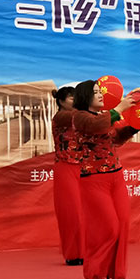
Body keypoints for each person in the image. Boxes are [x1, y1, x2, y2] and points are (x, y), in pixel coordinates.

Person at [71, 80, 139, 279]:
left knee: (123, 224)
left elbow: (116, 139)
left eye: (100, 91)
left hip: (116, 176)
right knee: (108, 227)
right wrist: (119, 109)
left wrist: (135, 126)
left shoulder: (105, 117)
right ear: (85, 96)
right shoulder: (80, 117)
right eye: (96, 92)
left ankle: (116, 272)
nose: (101, 95)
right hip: (94, 179)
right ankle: (94, 270)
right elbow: (97, 126)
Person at [51, 86, 83, 266]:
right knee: (71, 212)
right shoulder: (61, 117)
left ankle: (86, 251)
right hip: (66, 168)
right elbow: (76, 117)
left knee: (86, 212)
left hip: (84, 167)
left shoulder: (80, 118)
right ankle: (72, 253)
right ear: (61, 101)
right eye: (71, 98)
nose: (75, 101)